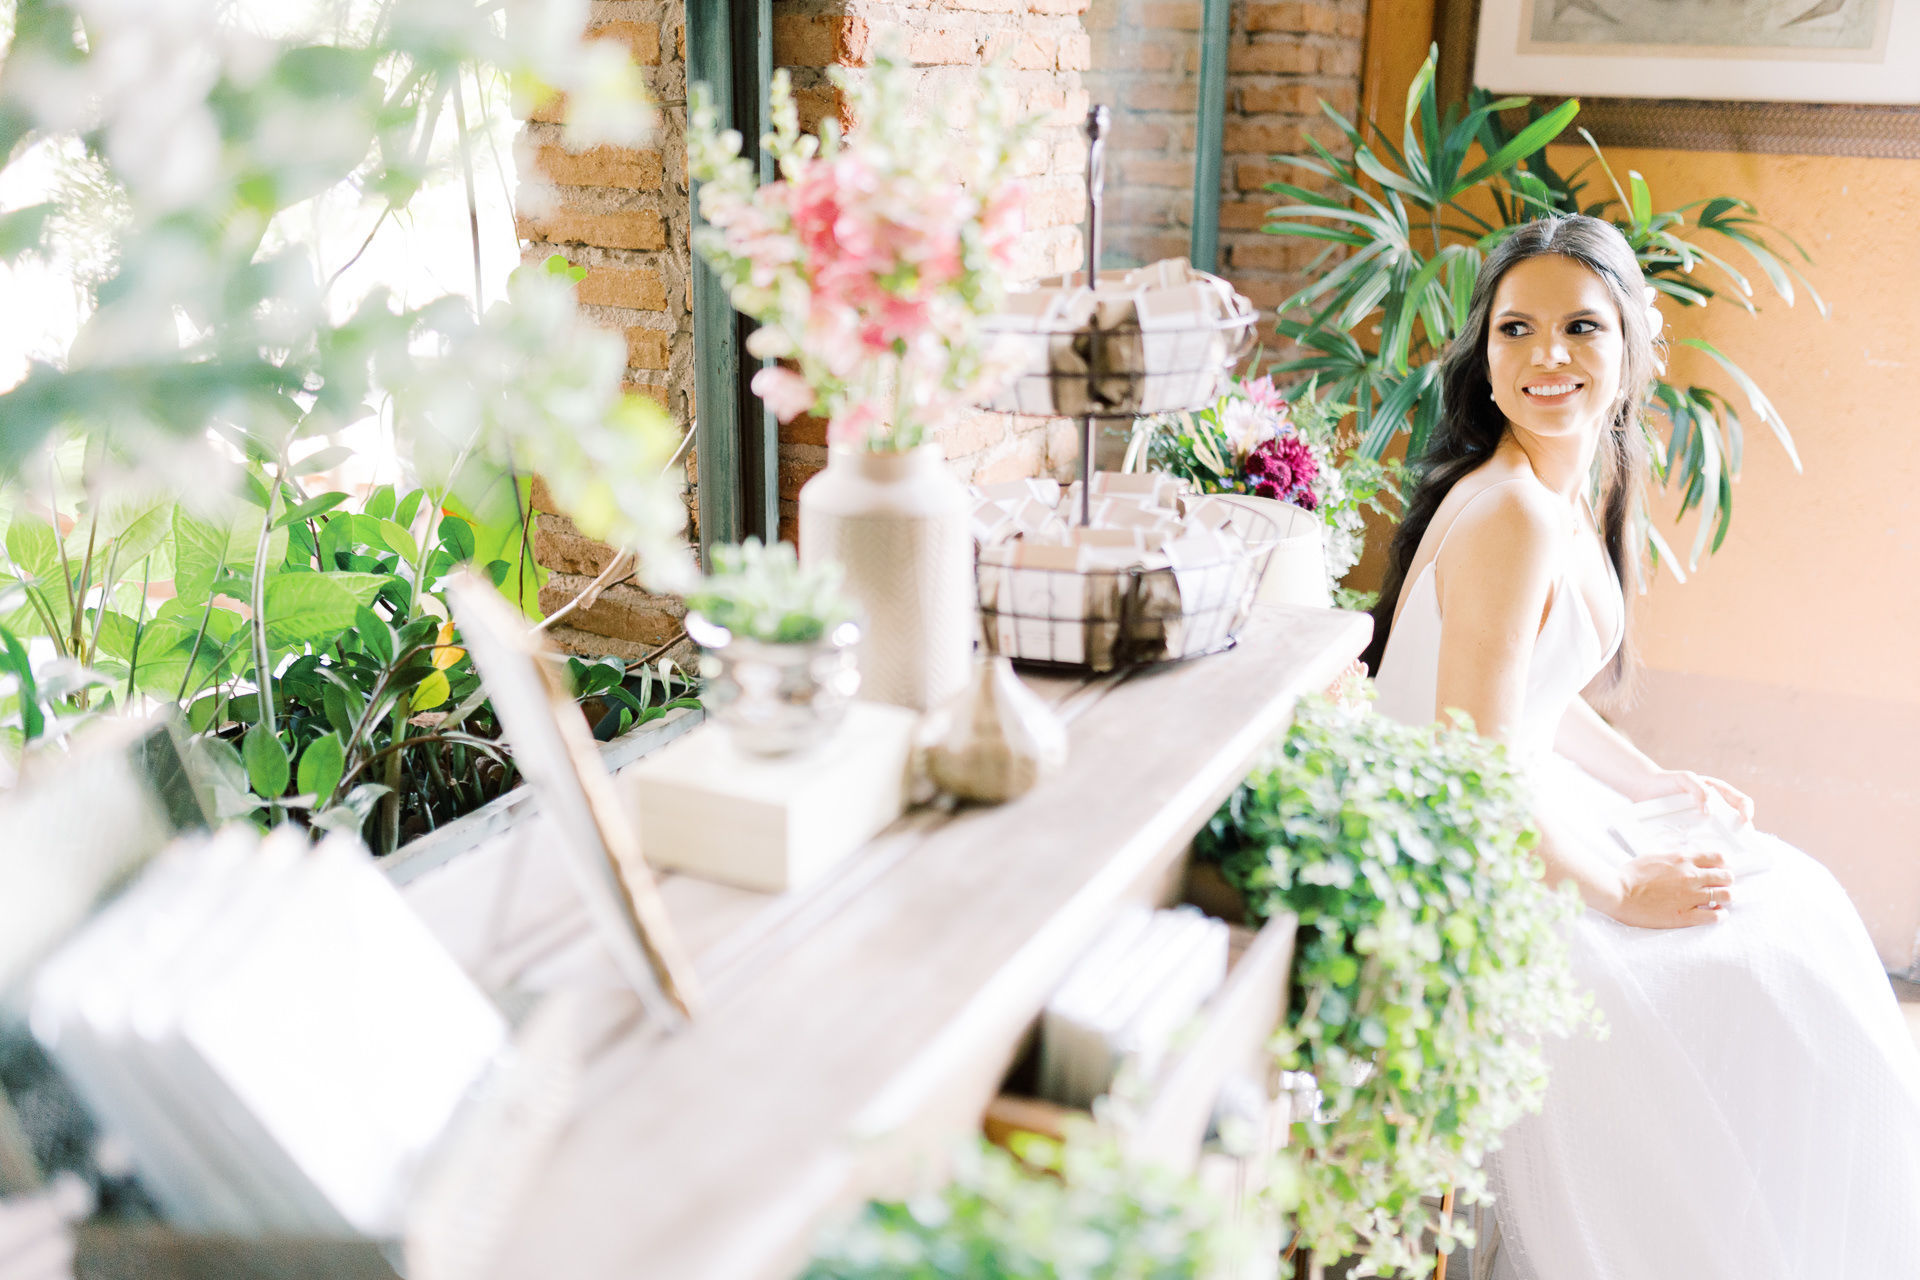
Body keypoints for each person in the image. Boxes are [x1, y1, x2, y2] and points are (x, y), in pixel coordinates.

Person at [1365, 213, 1920, 1279]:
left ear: (1631, 352)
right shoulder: (1511, 513)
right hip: (1461, 859)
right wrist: (1620, 886)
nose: (1548, 357)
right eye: (1516, 329)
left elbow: (1531, 693)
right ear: (1484, 355)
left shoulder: (1550, 497)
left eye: (1582, 327)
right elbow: (1473, 768)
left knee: (1794, 900)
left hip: (1511, 812)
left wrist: (1646, 778)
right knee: (1766, 965)